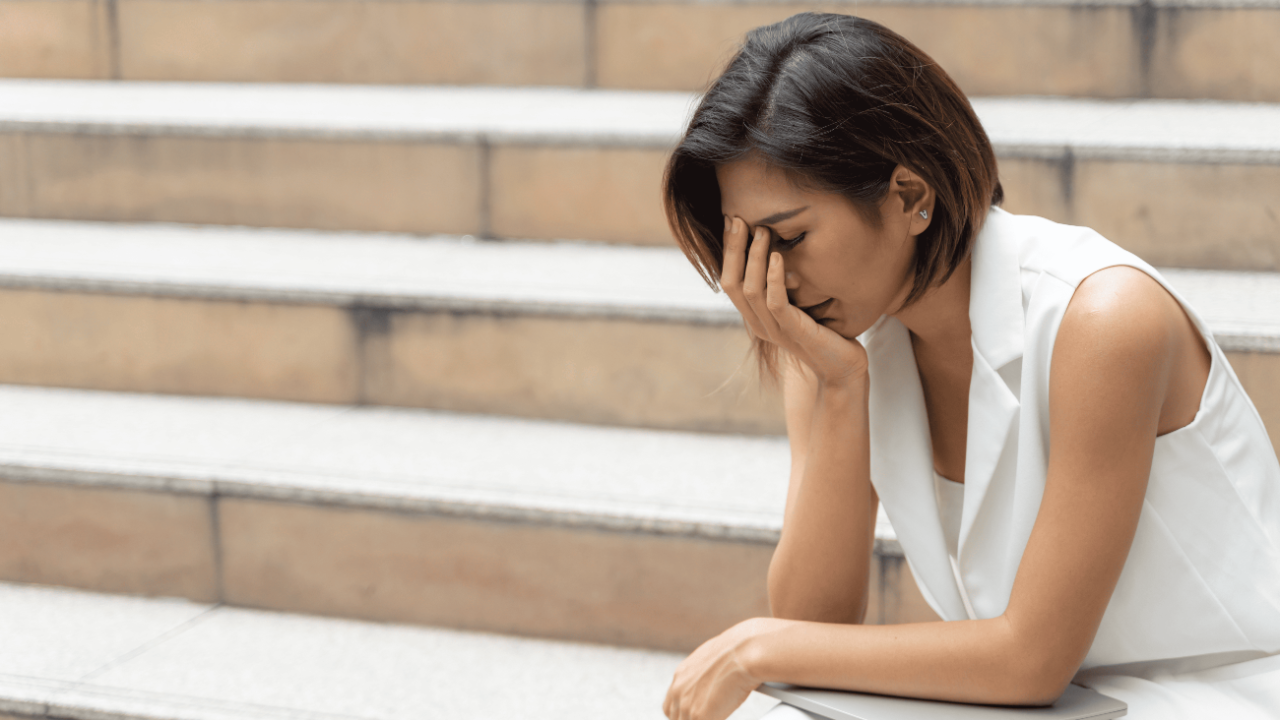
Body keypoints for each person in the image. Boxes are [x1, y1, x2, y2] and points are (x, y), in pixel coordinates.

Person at [659, 12, 1280, 720]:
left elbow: (1030, 660)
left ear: (909, 197)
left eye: (790, 237)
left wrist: (754, 646)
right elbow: (813, 623)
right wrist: (837, 389)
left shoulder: (1103, 319)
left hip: (1214, 697)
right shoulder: (843, 346)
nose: (774, 278)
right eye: (749, 247)